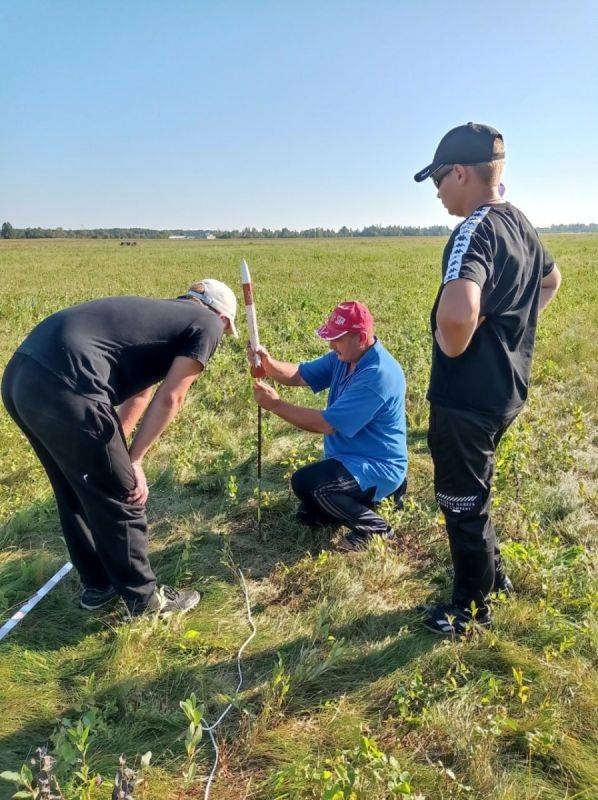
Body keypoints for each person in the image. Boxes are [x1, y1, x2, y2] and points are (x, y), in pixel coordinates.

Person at [1, 279, 238, 617]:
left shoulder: (161, 318)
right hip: (67, 381)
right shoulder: (208, 324)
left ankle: (99, 586)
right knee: (123, 492)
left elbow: (139, 393)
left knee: (74, 485)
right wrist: (133, 464)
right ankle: (146, 601)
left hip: (21, 377)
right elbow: (172, 396)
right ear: (223, 317)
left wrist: (120, 456)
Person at [414, 122, 562, 635]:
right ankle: (492, 577)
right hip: (505, 392)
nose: (436, 192)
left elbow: (457, 316)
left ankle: (470, 607)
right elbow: (550, 279)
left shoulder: (474, 228)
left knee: (461, 501)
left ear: (460, 172)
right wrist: (511, 327)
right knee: (478, 489)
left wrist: (456, 342)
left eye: (437, 180)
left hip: (467, 399)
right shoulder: (520, 222)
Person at [250, 301, 408, 551]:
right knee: (309, 512)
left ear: (362, 337)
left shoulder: (378, 375)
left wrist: (276, 405)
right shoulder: (344, 357)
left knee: (309, 484)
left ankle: (375, 528)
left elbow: (327, 424)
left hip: (378, 466)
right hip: (350, 460)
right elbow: (301, 374)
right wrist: (269, 364)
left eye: (338, 339)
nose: (331, 345)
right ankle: (363, 503)